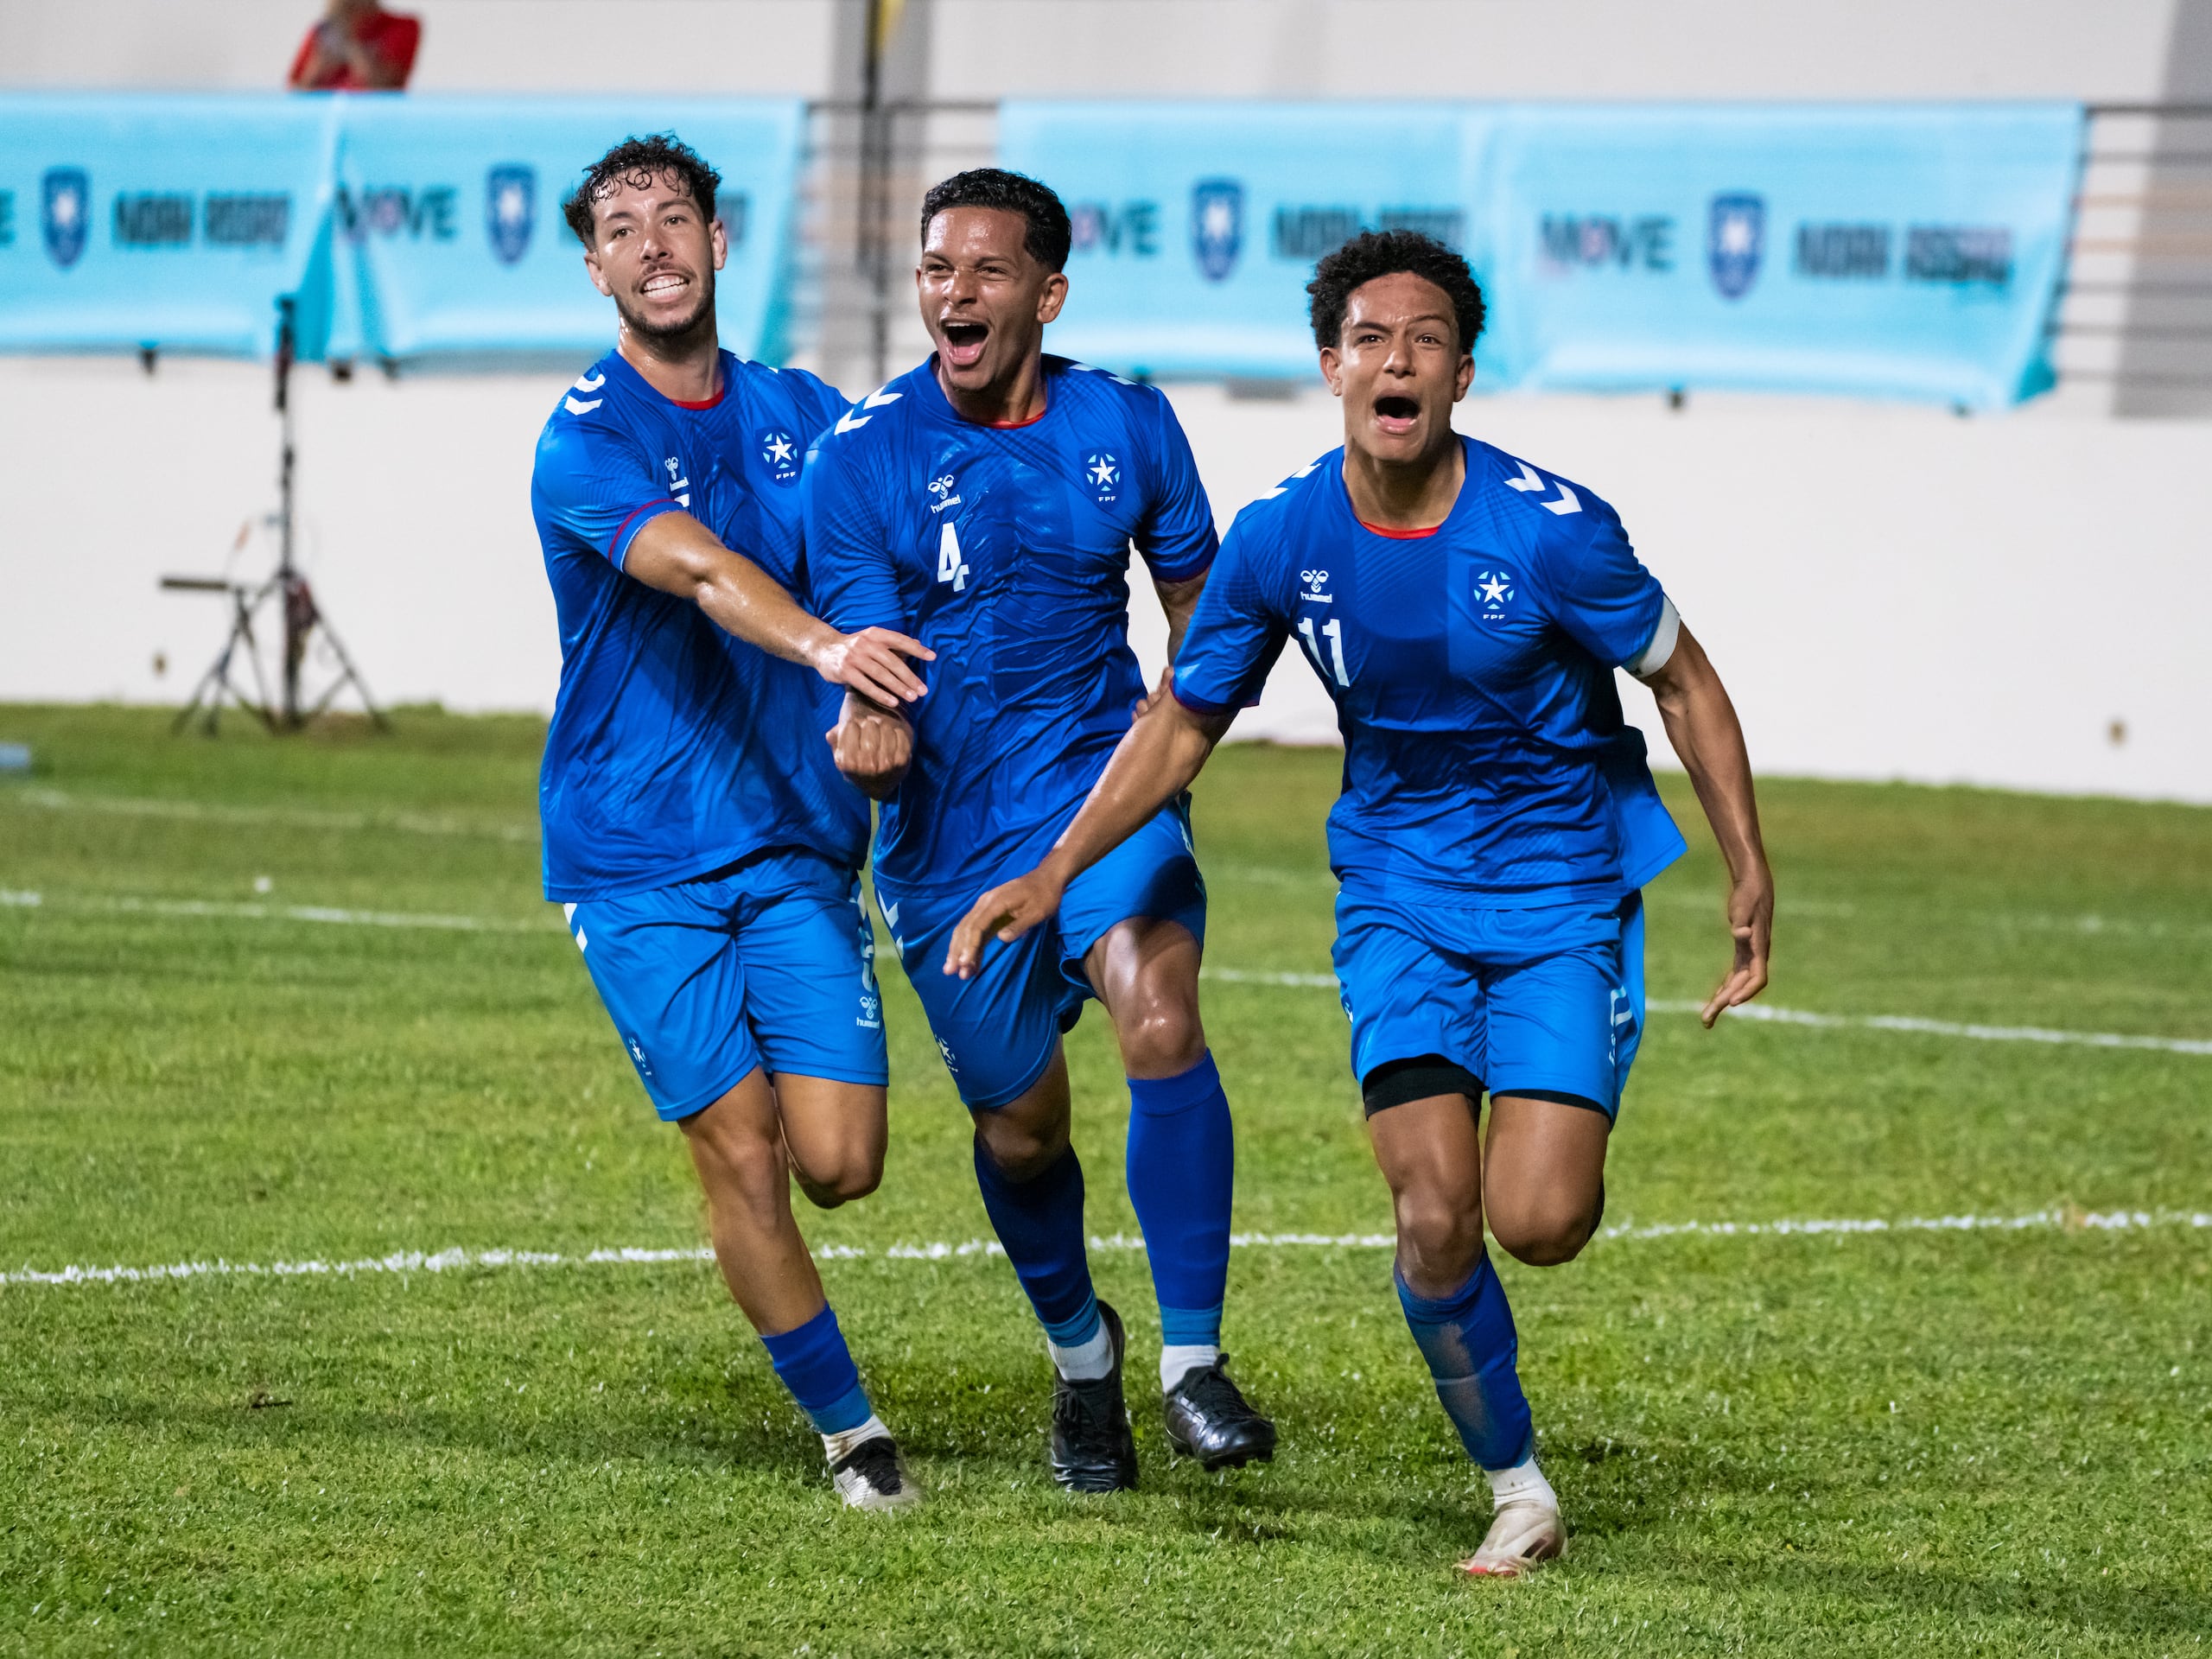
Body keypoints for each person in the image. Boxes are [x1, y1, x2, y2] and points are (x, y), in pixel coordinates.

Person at [944, 230, 1774, 1572]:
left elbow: (1685, 681)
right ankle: (1519, 1488)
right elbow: (1179, 722)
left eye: (1428, 339)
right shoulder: (1282, 538)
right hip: (1396, 892)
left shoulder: (1553, 531)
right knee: (1433, 1216)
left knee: (1541, 1221)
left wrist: (1747, 866)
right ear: (1331, 365)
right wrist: (1052, 872)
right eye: (1372, 339)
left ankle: (1549, 1159)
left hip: (1562, 892)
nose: (1400, 360)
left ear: (1459, 372)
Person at [801, 168, 1276, 1493]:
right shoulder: (862, 455)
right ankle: (1086, 1363)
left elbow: (1207, 615)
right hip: (952, 851)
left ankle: (1193, 1362)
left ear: (1047, 293)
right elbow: (862, 650)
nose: (954, 293)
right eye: (935, 268)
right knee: (1024, 1130)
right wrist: (871, 725)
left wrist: (1177, 753)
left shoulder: (1128, 423)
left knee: (1161, 1011)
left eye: (986, 271)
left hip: (1105, 795)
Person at [532, 134, 933, 1512]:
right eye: (622, 228)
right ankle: (852, 1437)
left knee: (842, 1160)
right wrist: (832, 655)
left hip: (794, 840)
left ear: (718, 240)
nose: (653, 245)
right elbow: (697, 570)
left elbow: (885, 548)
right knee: (739, 1148)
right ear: (594, 268)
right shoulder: (584, 439)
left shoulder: (810, 413)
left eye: (675, 219)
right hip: (636, 856)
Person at [287, 0, 421, 90]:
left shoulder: (401, 27)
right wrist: (317, 70)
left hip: (373, 123)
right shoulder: (323, 32)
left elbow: (386, 89)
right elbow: (294, 94)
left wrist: (351, 43)